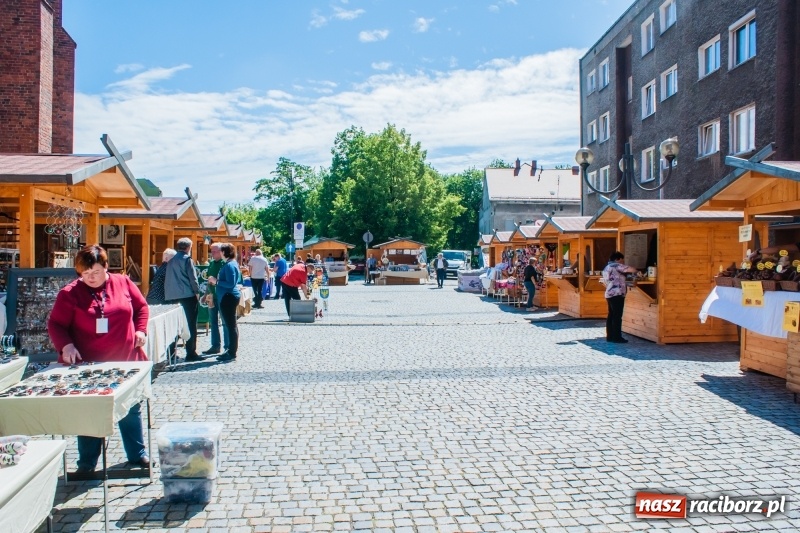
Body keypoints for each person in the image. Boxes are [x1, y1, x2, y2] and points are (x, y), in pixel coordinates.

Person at [47, 245, 150, 473]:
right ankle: (87, 463)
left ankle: (137, 454)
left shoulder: (123, 282)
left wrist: (141, 330)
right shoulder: (69, 293)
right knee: (90, 411)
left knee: (130, 407)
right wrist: (66, 345)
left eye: (95, 272)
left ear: (106, 267)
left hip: (125, 359)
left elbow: (141, 307)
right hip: (89, 364)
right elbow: (56, 324)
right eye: (85, 273)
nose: (90, 278)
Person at [165, 237, 203, 361]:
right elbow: (193, 278)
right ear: (188, 247)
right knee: (191, 324)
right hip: (187, 296)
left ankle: (171, 352)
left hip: (172, 297)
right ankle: (191, 353)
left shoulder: (171, 261)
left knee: (174, 325)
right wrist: (197, 292)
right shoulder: (187, 260)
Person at [209, 243, 241, 362]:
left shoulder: (229, 265)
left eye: (221, 251)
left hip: (228, 297)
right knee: (231, 325)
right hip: (227, 296)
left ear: (224, 252)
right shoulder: (230, 263)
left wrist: (216, 281)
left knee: (230, 326)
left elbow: (231, 283)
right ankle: (230, 350)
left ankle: (231, 352)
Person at [602, 251, 639, 343]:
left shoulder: (607, 267)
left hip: (609, 294)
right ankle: (617, 337)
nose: (622, 263)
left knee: (611, 315)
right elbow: (631, 269)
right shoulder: (616, 265)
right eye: (622, 261)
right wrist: (637, 271)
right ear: (617, 259)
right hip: (617, 294)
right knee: (617, 316)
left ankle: (610, 336)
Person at [202, 244, 228, 355]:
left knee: (225, 322)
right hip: (212, 297)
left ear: (221, 252)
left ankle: (227, 347)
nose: (212, 253)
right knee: (213, 322)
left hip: (222, 297)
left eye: (215, 251)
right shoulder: (211, 263)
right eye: (211, 251)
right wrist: (205, 295)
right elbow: (209, 281)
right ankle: (215, 345)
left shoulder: (225, 264)